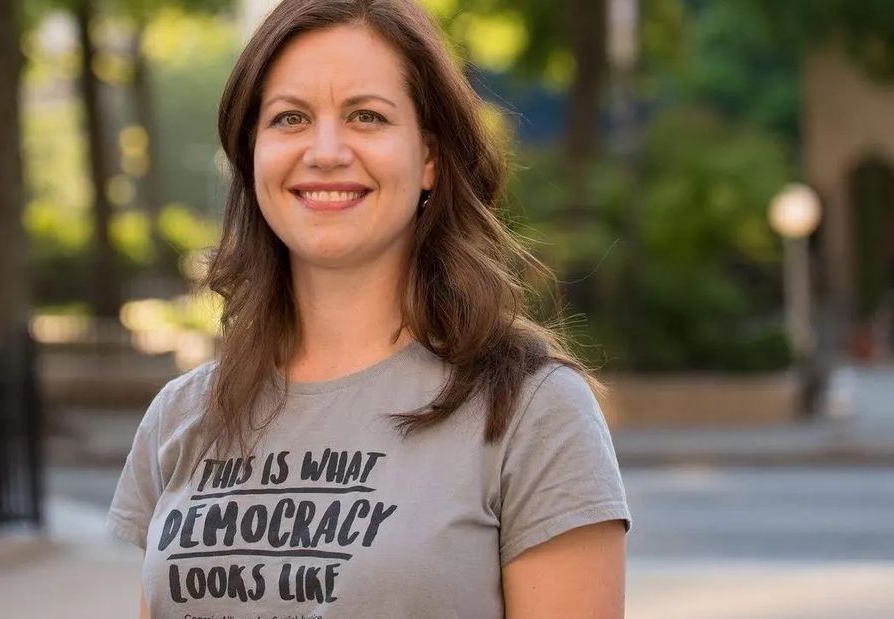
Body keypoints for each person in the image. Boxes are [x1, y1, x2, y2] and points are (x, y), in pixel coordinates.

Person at [107, 0, 632, 616]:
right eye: (290, 118)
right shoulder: (182, 416)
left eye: (366, 117)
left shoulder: (530, 410)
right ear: (252, 156)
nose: (326, 151)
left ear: (429, 157)